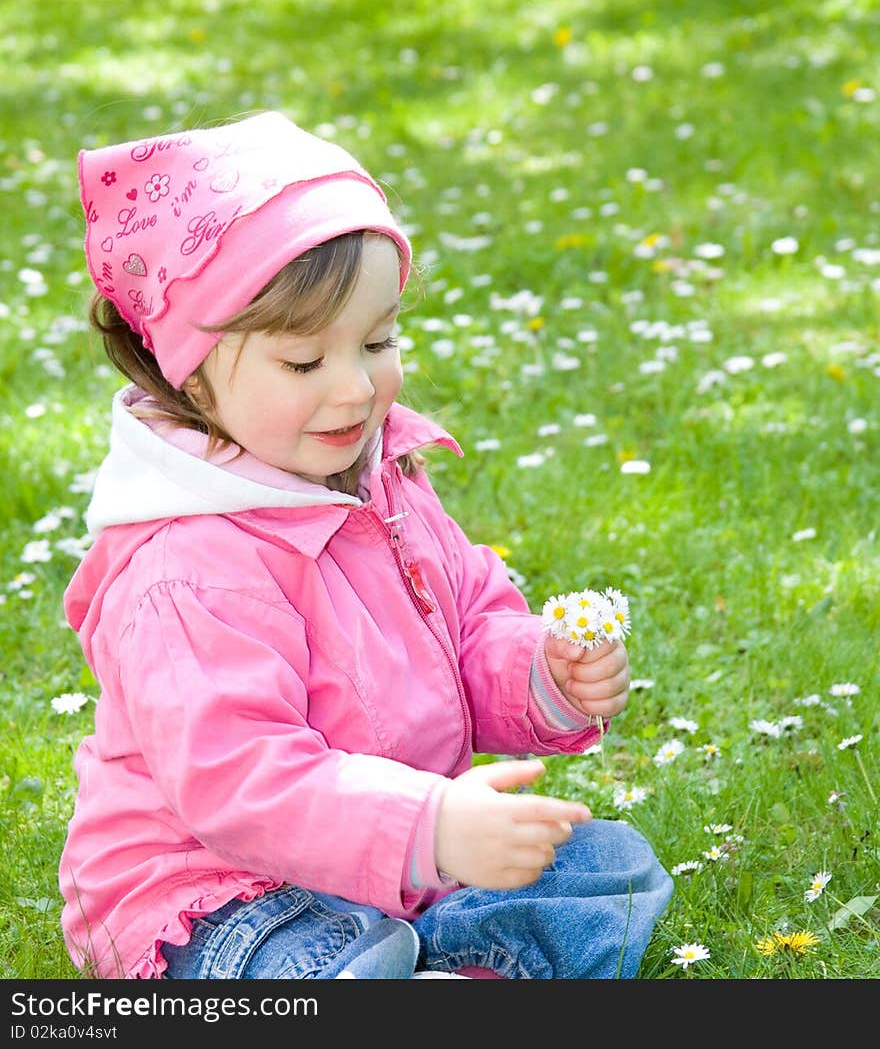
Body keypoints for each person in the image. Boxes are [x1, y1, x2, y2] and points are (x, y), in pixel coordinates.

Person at [59, 110, 672, 981]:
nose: (355, 387)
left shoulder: (383, 481)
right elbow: (243, 781)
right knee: (291, 959)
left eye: (378, 341)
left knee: (604, 864)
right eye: (304, 363)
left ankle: (423, 969)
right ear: (190, 371)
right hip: (220, 890)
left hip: (398, 866)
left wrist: (542, 672)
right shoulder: (185, 566)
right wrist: (428, 829)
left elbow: (467, 624)